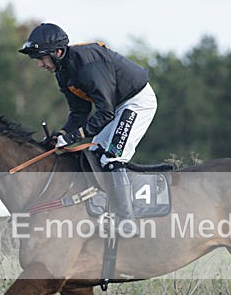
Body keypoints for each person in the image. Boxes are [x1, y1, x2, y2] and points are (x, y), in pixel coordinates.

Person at [19, 23, 157, 235]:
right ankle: (103, 210)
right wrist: (63, 134)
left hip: (136, 101)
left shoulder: (88, 66)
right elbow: (79, 111)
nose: (39, 64)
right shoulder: (62, 71)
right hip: (116, 106)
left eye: (41, 58)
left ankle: (127, 221)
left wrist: (76, 136)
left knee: (112, 158)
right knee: (92, 155)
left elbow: (106, 113)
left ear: (57, 52)